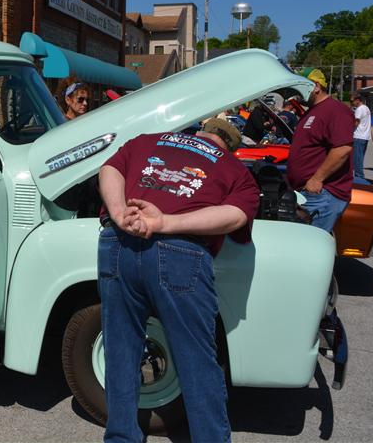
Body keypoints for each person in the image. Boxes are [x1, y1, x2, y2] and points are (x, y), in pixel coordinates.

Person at [98, 118, 259, 443]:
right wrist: (164, 223)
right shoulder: (234, 169)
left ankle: (121, 437)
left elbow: (109, 168)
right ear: (229, 147)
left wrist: (118, 213)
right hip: (181, 252)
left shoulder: (147, 141)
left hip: (118, 240)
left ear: (200, 132)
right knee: (196, 358)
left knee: (120, 349)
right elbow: (236, 216)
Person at [286, 69, 353, 233]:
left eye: (300, 87)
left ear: (316, 86)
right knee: (301, 242)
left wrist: (317, 179)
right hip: (308, 193)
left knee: (310, 244)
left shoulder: (335, 110)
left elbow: (343, 148)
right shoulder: (312, 111)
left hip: (322, 194)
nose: (297, 93)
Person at [350, 93, 372, 179]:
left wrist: (348, 130)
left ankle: (359, 178)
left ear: (358, 100)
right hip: (365, 136)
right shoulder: (366, 108)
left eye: (352, 101)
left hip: (358, 136)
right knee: (360, 158)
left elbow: (356, 122)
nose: (351, 103)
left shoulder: (359, 109)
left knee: (357, 159)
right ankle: (359, 177)